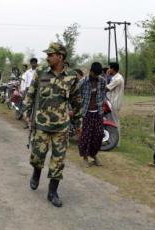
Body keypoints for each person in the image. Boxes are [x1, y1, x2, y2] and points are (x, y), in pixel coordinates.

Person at [23, 42, 82, 207]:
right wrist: (26, 112)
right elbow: (31, 93)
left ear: (60, 57)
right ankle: (36, 173)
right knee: (37, 156)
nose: (47, 57)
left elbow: (77, 102)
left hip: (61, 127)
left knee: (58, 161)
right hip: (41, 124)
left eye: (50, 55)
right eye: (47, 55)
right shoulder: (41, 72)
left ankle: (52, 191)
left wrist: (78, 122)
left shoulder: (71, 77)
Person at [78, 62, 107, 167]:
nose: (95, 76)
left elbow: (103, 92)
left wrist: (101, 102)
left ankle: (94, 155)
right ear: (90, 71)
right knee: (86, 135)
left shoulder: (102, 81)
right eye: (94, 74)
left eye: (97, 75)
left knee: (98, 135)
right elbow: (76, 93)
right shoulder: (83, 82)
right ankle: (85, 157)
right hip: (87, 112)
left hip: (98, 112)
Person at [106, 62, 124, 135]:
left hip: (114, 103)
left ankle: (115, 141)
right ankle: (112, 140)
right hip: (112, 102)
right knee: (111, 121)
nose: (108, 70)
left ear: (113, 69)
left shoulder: (117, 79)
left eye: (109, 68)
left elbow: (107, 88)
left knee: (114, 122)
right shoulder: (117, 77)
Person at [21, 58, 38, 129]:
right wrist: (24, 91)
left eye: (35, 62)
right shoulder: (28, 72)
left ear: (36, 63)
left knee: (36, 107)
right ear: (30, 64)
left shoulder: (39, 71)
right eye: (32, 63)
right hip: (28, 90)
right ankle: (26, 123)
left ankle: (34, 124)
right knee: (28, 107)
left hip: (36, 90)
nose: (34, 64)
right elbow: (25, 82)